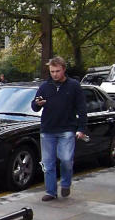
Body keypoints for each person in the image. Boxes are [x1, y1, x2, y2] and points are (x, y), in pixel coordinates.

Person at [31, 56, 87, 201]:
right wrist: (38, 104)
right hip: (48, 129)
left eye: (57, 71)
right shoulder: (44, 86)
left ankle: (66, 183)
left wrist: (81, 128)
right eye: (52, 71)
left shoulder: (74, 86)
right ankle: (51, 191)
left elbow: (81, 108)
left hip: (67, 128)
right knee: (48, 163)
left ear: (64, 70)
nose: (54, 74)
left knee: (66, 159)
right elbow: (34, 107)